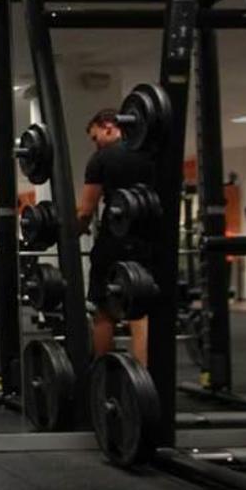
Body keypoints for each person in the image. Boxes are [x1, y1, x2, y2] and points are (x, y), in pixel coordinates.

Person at [78, 109, 155, 367]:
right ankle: (143, 376)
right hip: (146, 240)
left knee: (104, 311)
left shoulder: (101, 158)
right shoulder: (150, 153)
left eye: (95, 135)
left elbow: (85, 210)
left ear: (108, 126)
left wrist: (72, 232)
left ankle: (104, 373)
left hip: (114, 241)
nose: (95, 141)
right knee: (140, 309)